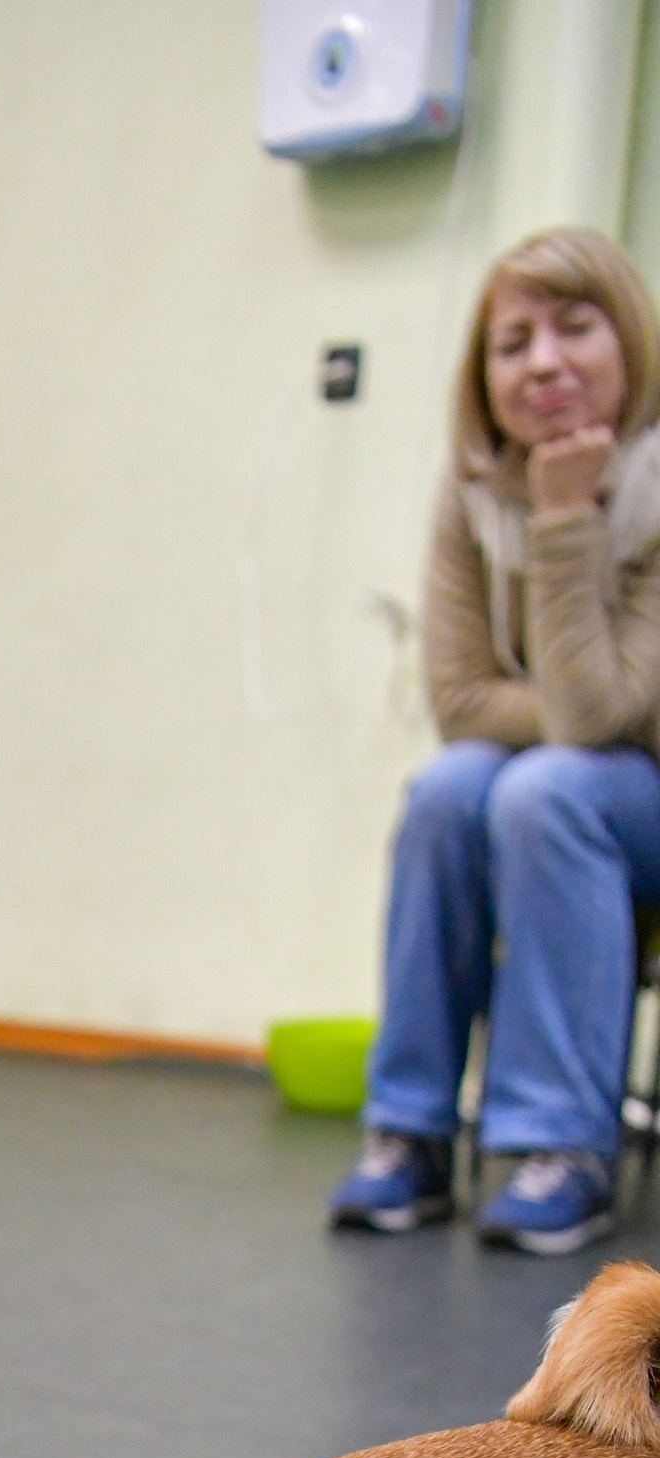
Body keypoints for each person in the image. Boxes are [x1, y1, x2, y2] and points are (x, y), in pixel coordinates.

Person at [332, 226, 660, 1255]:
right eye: (512, 342)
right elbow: (460, 699)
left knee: (544, 790)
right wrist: (561, 712)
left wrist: (564, 523)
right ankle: (411, 1132)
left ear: (630, 343)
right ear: (483, 378)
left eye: (574, 327)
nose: (544, 362)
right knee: (448, 789)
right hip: (560, 780)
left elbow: (611, 716)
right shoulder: (471, 492)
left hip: (636, 803)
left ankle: (559, 1145)